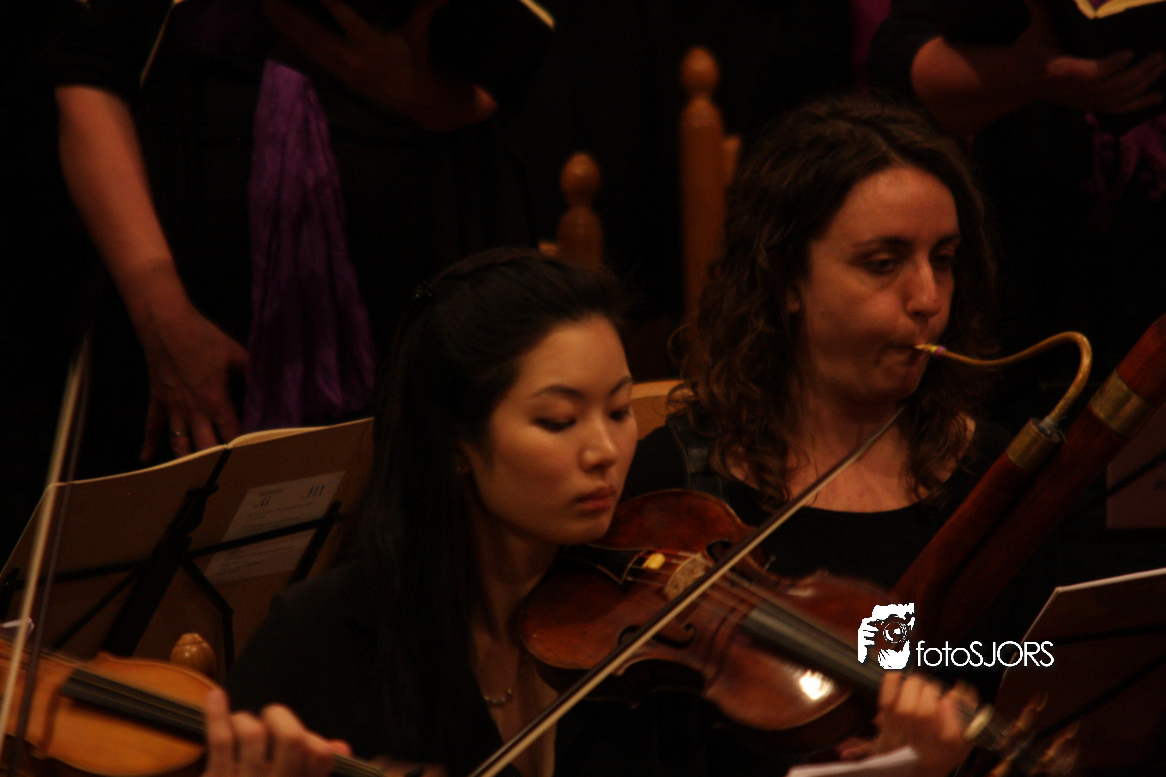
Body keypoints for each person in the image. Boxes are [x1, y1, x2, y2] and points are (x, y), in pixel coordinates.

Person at [204, 248, 976, 777]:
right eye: (558, 420)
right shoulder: (324, 638)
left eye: (617, 409)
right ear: (454, 441)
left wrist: (900, 766)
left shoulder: (654, 641)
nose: (607, 450)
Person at [46, 0, 529, 477]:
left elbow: (501, 62)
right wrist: (161, 311)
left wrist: (418, 88)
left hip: (417, 282)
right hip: (191, 306)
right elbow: (91, 75)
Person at [625, 95, 1011, 590]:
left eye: (943, 260)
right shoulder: (671, 484)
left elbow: (1014, 651)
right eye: (883, 264)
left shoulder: (995, 474)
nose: (929, 299)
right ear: (786, 278)